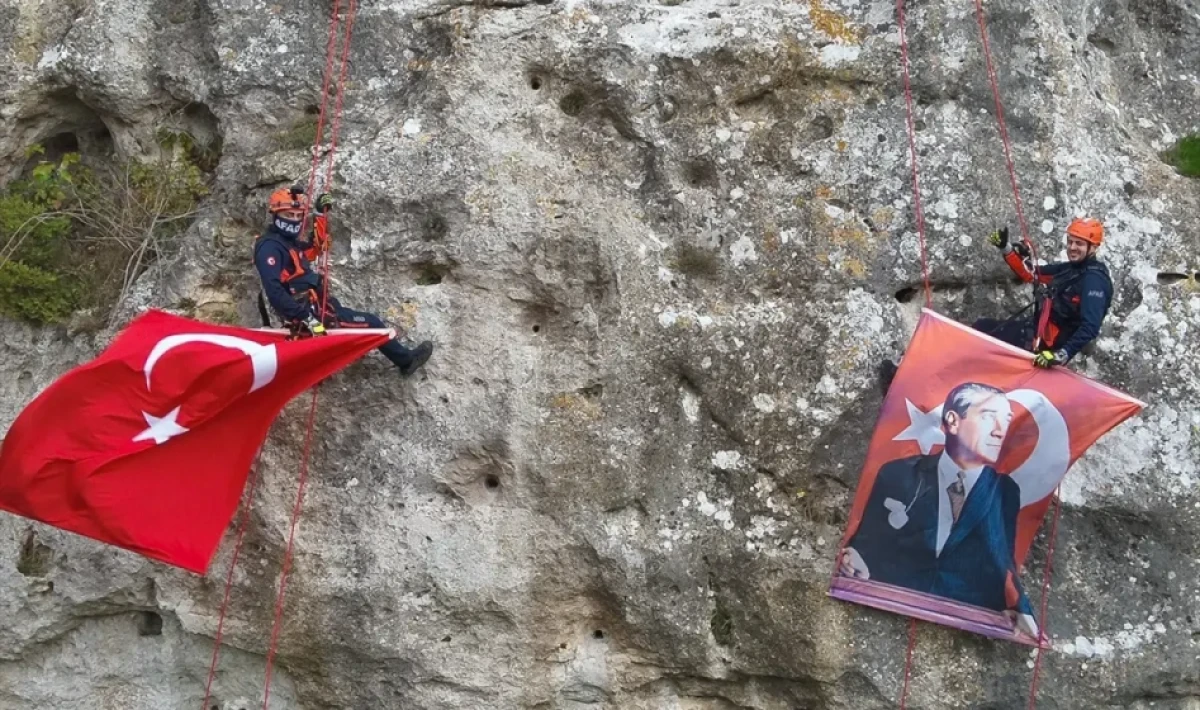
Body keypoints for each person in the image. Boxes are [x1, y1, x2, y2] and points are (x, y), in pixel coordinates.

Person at [838, 382, 1038, 636]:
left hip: (963, 624)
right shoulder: (899, 472)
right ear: (953, 421)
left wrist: (1020, 607)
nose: (1001, 431)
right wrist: (853, 558)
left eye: (1007, 420)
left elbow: (1002, 558)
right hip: (891, 611)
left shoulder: (1005, 491)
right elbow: (865, 543)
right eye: (989, 417)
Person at [253, 185, 434, 377]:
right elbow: (274, 292)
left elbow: (315, 250)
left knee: (353, 316)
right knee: (372, 323)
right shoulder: (269, 247)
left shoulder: (288, 243)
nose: (295, 220)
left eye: (299, 215)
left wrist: (319, 215)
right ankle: (406, 361)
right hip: (307, 317)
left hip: (318, 309)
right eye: (290, 215)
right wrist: (308, 320)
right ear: (276, 214)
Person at [973, 217, 1113, 369]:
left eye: (1079, 243)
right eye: (1070, 242)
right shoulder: (1070, 269)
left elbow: (1091, 326)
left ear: (1093, 247)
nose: (1072, 247)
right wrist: (1006, 248)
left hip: (1047, 346)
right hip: (1036, 332)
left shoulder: (1095, 281)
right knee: (982, 327)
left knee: (981, 331)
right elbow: (1031, 274)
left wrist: (1060, 355)